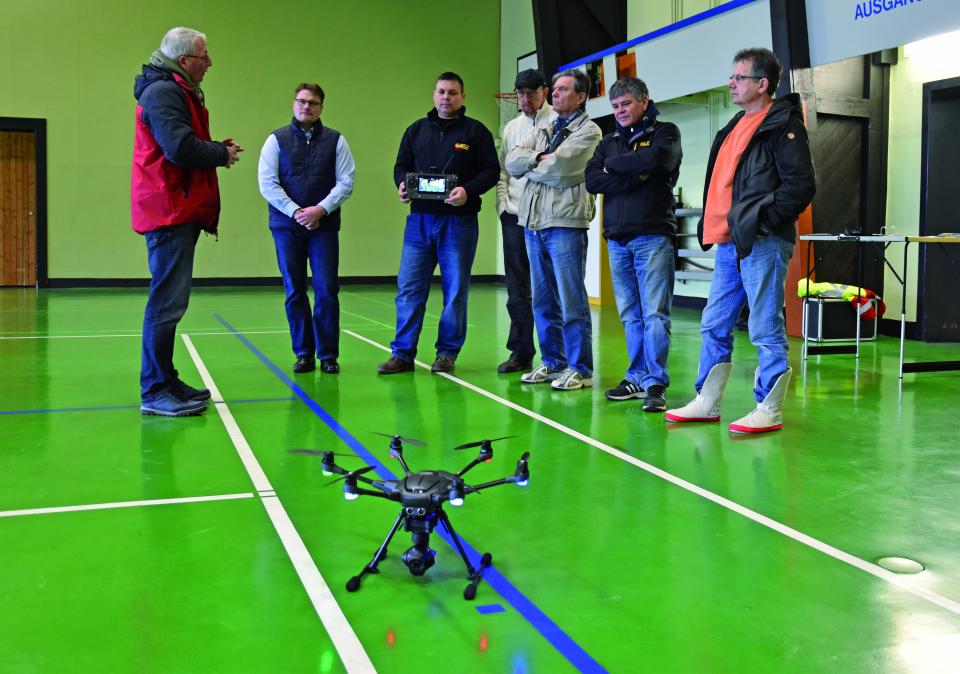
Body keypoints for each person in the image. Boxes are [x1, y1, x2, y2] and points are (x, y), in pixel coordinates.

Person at [665, 48, 815, 433]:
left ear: (762, 85)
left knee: (765, 325)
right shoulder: (734, 125)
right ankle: (707, 400)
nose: (731, 83)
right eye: (732, 76)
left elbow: (801, 185)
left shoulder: (782, 125)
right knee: (714, 322)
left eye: (739, 77)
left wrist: (762, 222)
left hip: (760, 240)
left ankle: (769, 407)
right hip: (730, 243)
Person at [132, 26, 243, 417]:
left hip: (175, 209)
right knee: (165, 303)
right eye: (204, 56)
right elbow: (178, 147)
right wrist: (220, 153)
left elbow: (181, 141)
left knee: (170, 303)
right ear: (184, 61)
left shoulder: (172, 89)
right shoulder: (163, 92)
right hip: (169, 211)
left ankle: (165, 379)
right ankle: (155, 389)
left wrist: (215, 150)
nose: (209, 62)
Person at [377, 72, 499, 375]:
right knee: (409, 288)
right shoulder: (415, 130)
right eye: (442, 92)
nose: (447, 97)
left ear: (463, 97)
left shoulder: (476, 132)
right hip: (419, 222)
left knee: (455, 289)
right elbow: (401, 166)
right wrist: (401, 185)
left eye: (453, 93)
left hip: (459, 223)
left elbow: (491, 171)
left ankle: (447, 353)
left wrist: (467, 190)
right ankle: (402, 354)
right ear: (434, 95)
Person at [585, 76, 682, 412]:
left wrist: (615, 170)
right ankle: (637, 377)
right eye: (615, 106)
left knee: (655, 313)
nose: (620, 111)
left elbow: (658, 161)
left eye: (626, 104)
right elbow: (591, 179)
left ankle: (656, 382)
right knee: (630, 315)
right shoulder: (609, 141)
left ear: (644, 101)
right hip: (617, 240)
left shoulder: (665, 132)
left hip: (653, 236)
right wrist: (631, 175)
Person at [505, 70, 602, 391]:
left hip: (565, 224)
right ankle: (552, 361)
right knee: (542, 300)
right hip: (533, 223)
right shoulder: (546, 129)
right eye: (555, 90)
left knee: (571, 299)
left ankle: (580, 368)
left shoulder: (590, 132)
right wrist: (537, 159)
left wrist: (533, 166)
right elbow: (512, 161)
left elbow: (562, 169)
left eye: (562, 90)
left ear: (581, 96)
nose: (556, 94)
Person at [258, 83, 355, 375]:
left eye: (313, 102)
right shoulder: (276, 140)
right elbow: (267, 183)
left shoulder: (337, 141)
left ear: (321, 107)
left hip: (323, 227)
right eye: (301, 101)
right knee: (294, 290)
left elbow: (346, 182)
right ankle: (303, 353)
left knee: (326, 290)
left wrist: (320, 210)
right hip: (286, 227)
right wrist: (297, 212)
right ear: (293, 104)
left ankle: (328, 355)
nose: (306, 106)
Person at [494, 69, 557, 374]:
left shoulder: (559, 122)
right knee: (517, 288)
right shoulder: (511, 128)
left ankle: (556, 356)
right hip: (514, 216)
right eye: (519, 93)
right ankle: (521, 351)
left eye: (530, 93)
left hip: (548, 218)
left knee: (550, 287)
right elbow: (504, 170)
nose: (524, 99)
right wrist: (503, 206)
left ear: (544, 92)